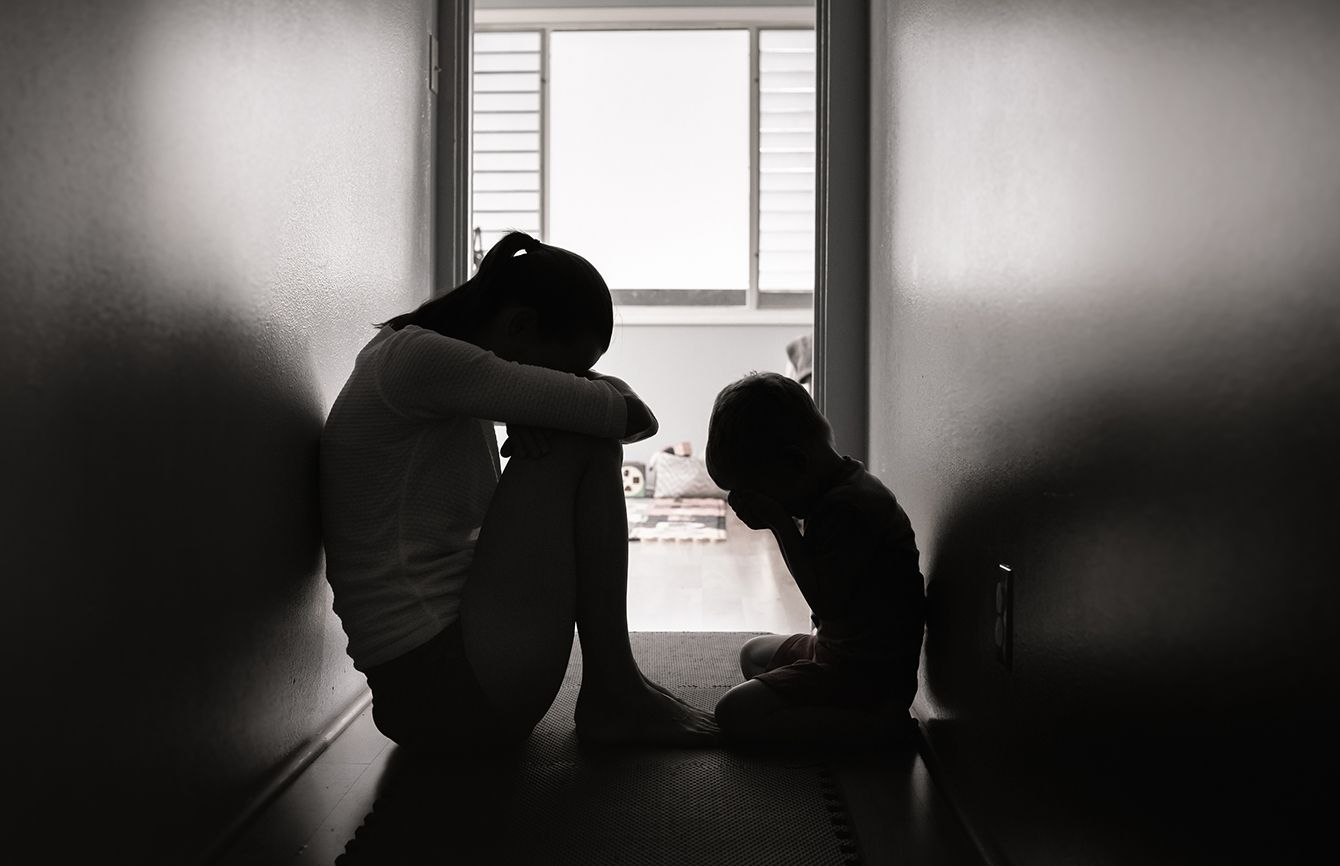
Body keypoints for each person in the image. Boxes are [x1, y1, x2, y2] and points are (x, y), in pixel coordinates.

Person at [320, 230, 719, 752]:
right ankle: (615, 690)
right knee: (583, 440)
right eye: (564, 372)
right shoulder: (420, 360)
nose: (567, 383)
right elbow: (631, 416)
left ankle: (616, 686)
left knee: (580, 430)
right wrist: (561, 407)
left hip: (439, 684)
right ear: (518, 325)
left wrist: (543, 405)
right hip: (442, 687)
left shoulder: (421, 363)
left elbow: (619, 413)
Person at [705, 372, 924, 749]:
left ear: (794, 463)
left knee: (734, 714)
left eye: (763, 494)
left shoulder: (848, 509)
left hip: (866, 672)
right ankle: (845, 716)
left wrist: (780, 524)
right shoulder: (842, 485)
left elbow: (826, 603)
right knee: (752, 653)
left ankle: (877, 729)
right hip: (836, 649)